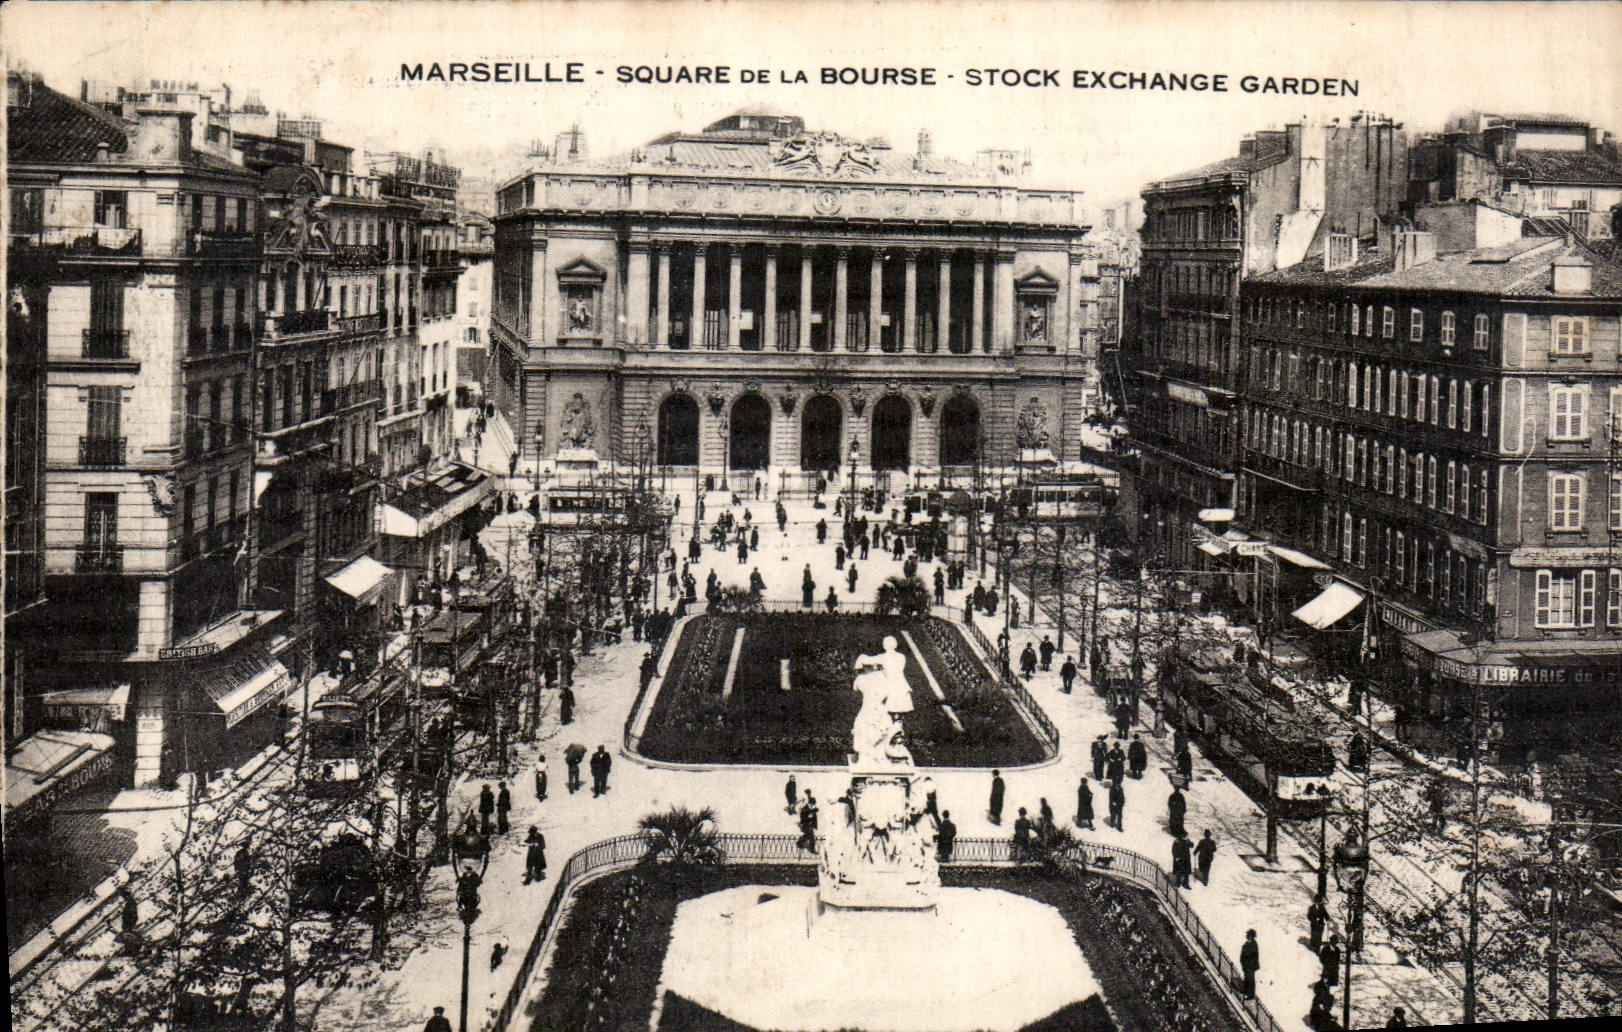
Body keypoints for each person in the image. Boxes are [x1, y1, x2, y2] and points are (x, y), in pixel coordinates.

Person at [1240, 929, 1261, 998]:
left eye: (1248, 934)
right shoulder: (1248, 942)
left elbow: (1253, 955)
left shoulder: (1253, 943)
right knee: (1247, 978)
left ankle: (1251, 995)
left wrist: (1249, 962)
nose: (1246, 936)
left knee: (1250, 979)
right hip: (1246, 964)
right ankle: (1245, 990)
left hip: (1250, 965)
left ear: (1251, 935)